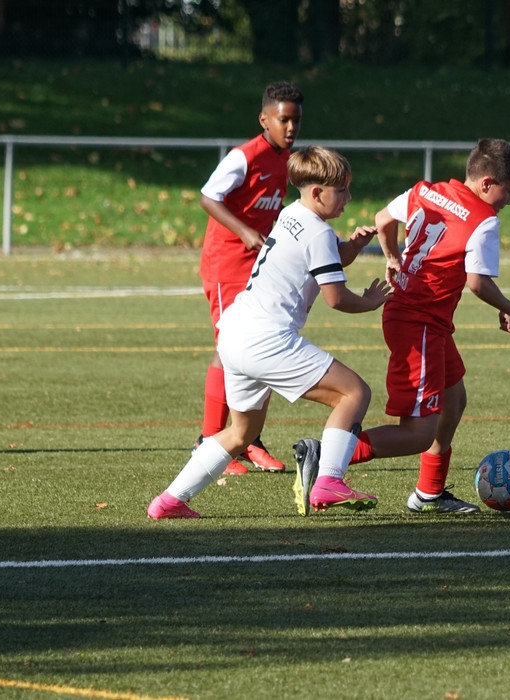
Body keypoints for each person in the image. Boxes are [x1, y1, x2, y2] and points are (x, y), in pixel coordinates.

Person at [148, 146, 390, 519]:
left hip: (235, 332)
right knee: (354, 393)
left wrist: (353, 247)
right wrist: (369, 301)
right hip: (267, 340)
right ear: (317, 193)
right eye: (341, 190)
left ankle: (169, 501)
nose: (348, 197)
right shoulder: (319, 233)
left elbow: (323, 257)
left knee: (241, 432)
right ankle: (329, 480)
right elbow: (336, 298)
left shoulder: (291, 214)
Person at [295, 138, 510, 514]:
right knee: (418, 434)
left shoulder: (427, 191)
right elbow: (477, 282)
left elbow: (383, 219)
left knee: (454, 400)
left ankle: (429, 493)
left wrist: (392, 256)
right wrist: (507, 306)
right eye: (509, 191)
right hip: (419, 322)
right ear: (487, 184)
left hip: (420, 318)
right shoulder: (483, 220)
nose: (509, 201)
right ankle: (326, 457)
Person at [196, 81, 303, 475]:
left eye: (295, 120)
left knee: (262, 344)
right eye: (283, 119)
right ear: (264, 119)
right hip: (227, 263)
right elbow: (208, 196)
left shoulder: (285, 158)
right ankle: (209, 442)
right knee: (229, 348)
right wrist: (243, 231)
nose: (290, 127)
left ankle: (248, 439)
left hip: (258, 265)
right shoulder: (244, 157)